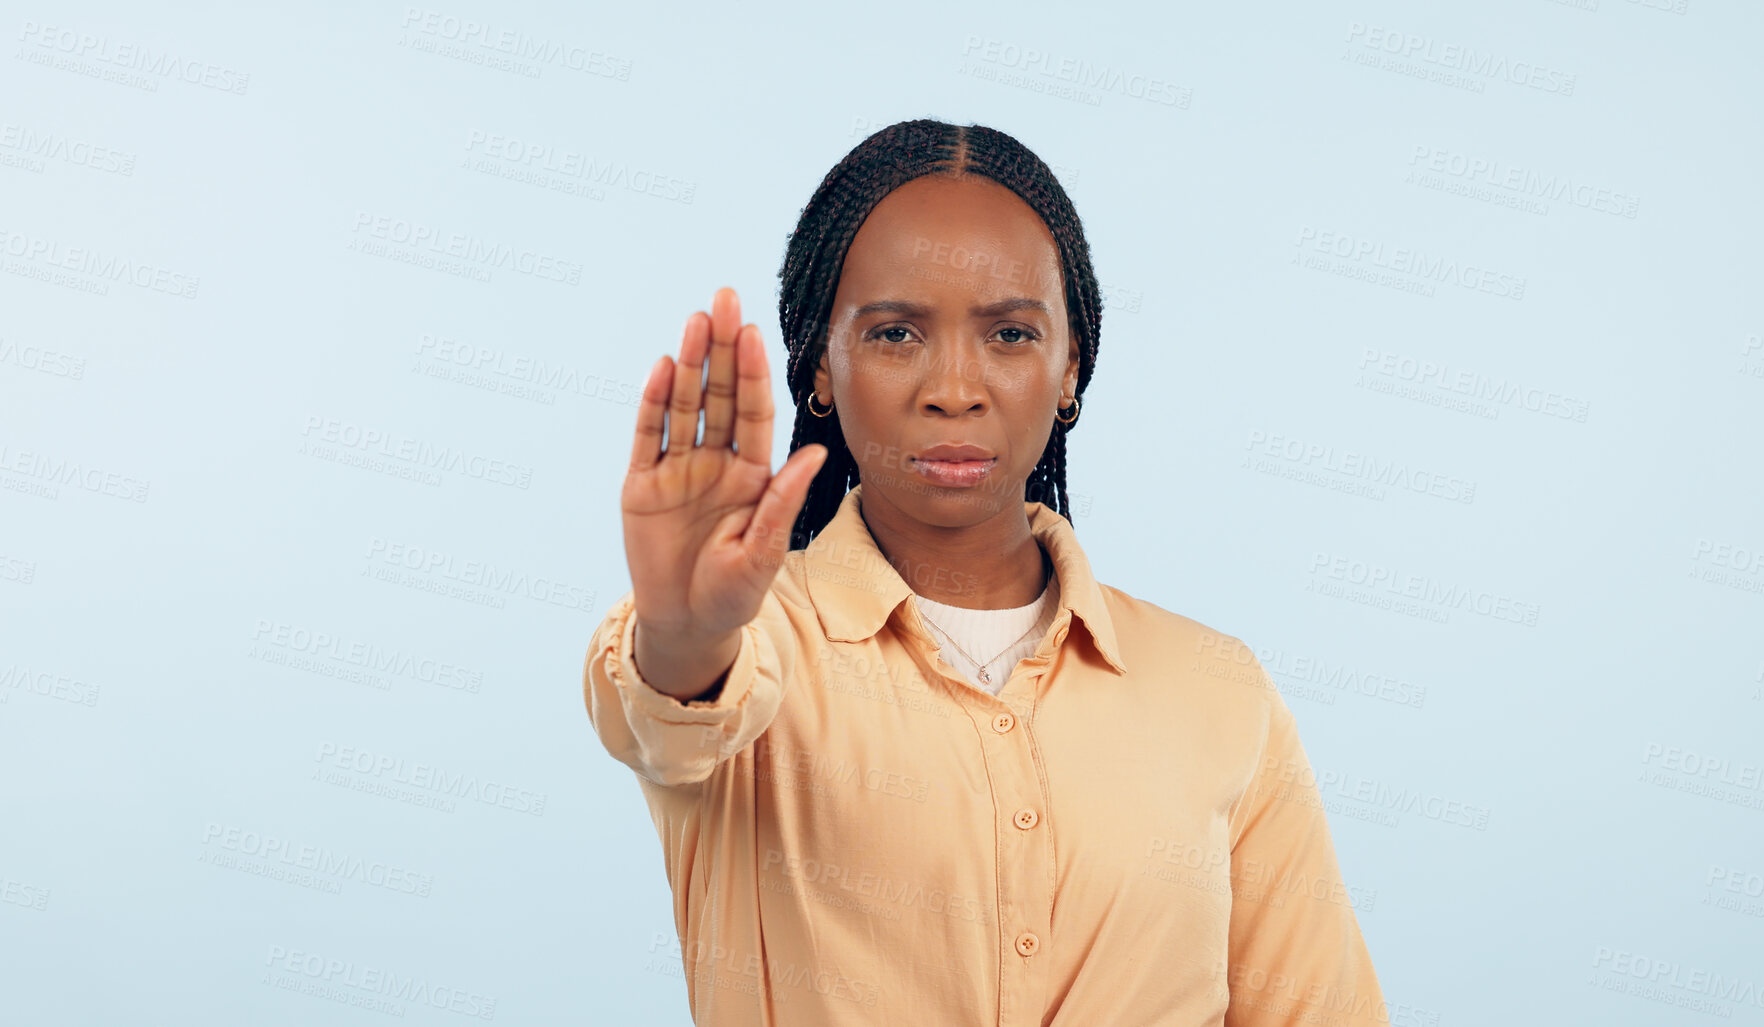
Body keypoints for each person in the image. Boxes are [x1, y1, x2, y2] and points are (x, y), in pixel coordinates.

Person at [581, 118, 1386, 1026]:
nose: (954, 387)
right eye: (894, 333)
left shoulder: (1216, 688)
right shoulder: (752, 650)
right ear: (821, 367)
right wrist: (685, 629)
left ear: (1069, 363)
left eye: (1008, 333)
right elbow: (665, 716)